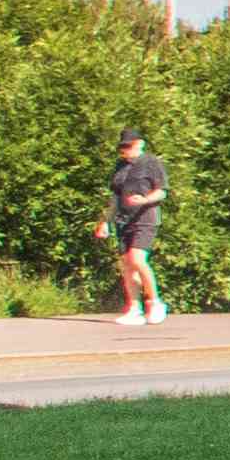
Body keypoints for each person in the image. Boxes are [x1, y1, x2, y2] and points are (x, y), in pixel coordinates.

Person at [98, 129, 169, 322]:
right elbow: (115, 197)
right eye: (122, 147)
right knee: (127, 265)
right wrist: (105, 221)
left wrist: (144, 200)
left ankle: (155, 303)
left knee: (137, 259)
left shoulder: (151, 163)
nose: (124, 150)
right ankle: (134, 309)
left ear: (140, 144)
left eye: (128, 146)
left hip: (145, 218)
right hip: (123, 220)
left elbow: (162, 192)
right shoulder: (120, 166)